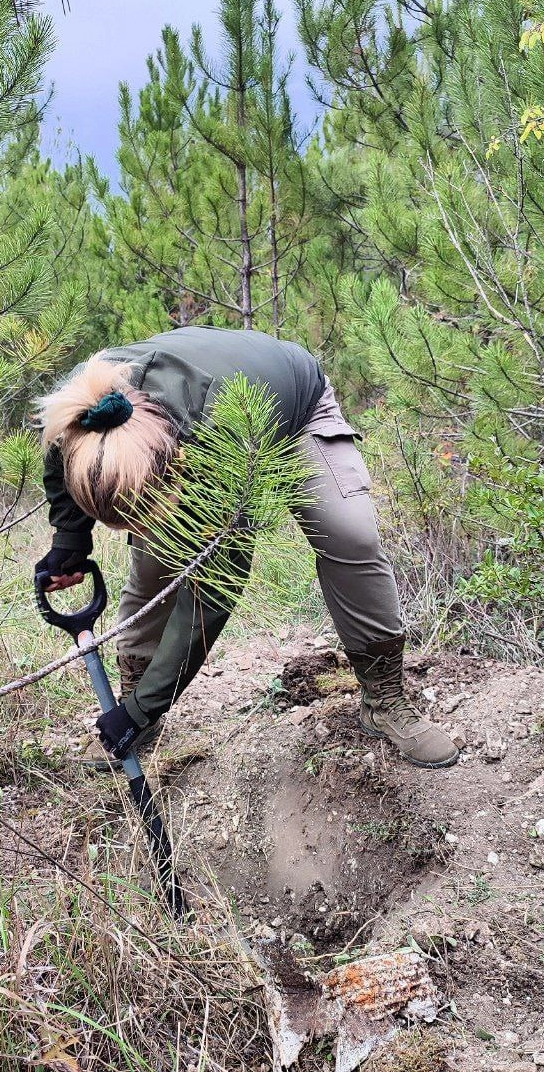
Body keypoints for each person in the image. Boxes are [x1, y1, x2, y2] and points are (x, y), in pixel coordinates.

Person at [35, 327, 458, 769]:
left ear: (171, 466)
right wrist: (70, 542)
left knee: (349, 534)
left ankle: (385, 699)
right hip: (201, 405)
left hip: (292, 405)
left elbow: (213, 592)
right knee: (154, 560)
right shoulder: (83, 403)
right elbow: (60, 459)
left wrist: (144, 707)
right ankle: (136, 695)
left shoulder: (218, 440)